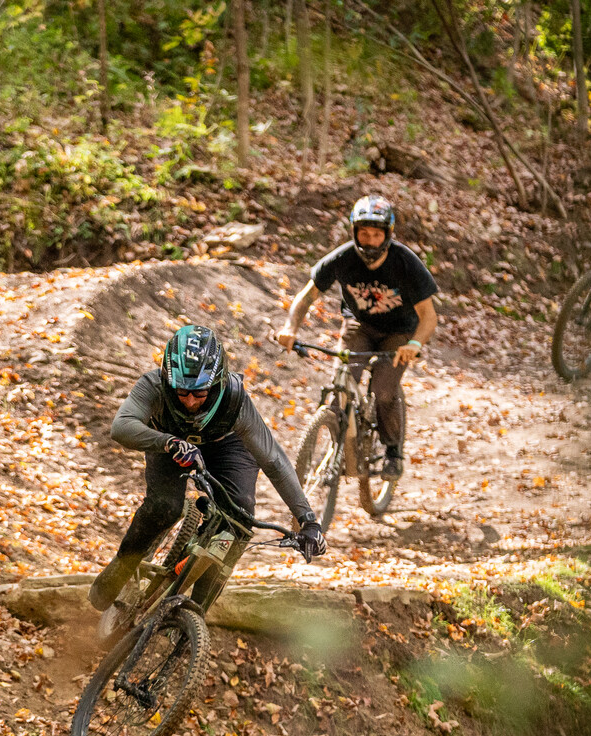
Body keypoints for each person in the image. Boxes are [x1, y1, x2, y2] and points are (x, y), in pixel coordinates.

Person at [89, 324, 327, 616]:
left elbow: (274, 461)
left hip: (226, 446)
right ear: (167, 380)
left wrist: (308, 520)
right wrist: (168, 443)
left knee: (240, 517)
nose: (189, 401)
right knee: (164, 506)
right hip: (169, 443)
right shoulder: (152, 386)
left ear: (216, 383)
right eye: (181, 392)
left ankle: (195, 611)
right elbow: (121, 427)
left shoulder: (235, 402)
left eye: (199, 393)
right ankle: (123, 565)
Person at [277, 195, 438, 480]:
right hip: (359, 326)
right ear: (354, 232)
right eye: (364, 232)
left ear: (387, 235)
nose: (370, 240)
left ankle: (392, 452)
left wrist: (414, 344)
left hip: (399, 332)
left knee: (384, 390)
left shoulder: (405, 262)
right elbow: (306, 296)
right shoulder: (343, 258)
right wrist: (290, 327)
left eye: (377, 234)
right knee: (340, 385)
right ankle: (339, 449)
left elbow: (428, 316)